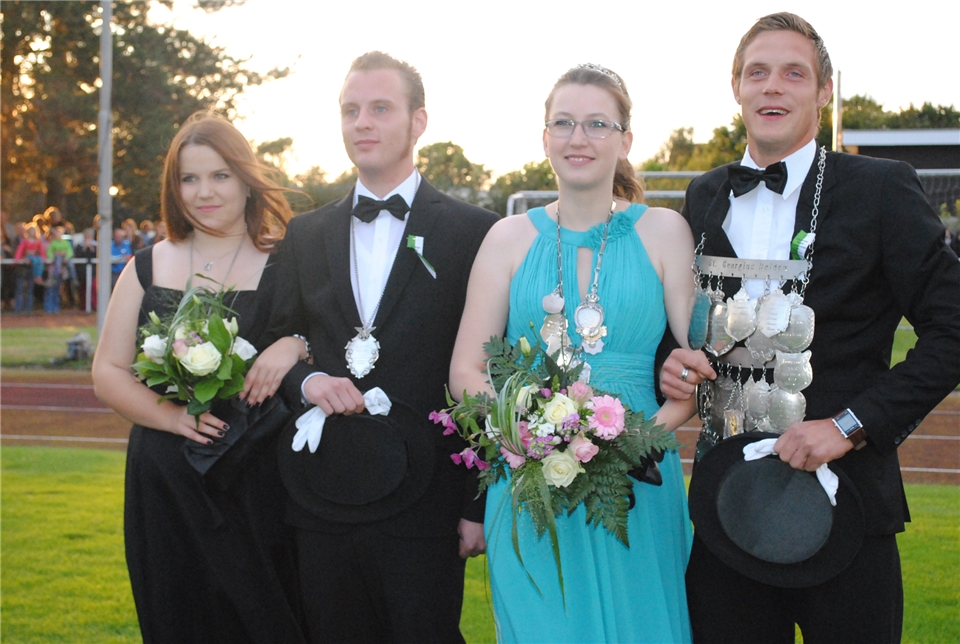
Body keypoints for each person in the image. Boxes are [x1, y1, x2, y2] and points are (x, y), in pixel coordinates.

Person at [658, 13, 960, 644]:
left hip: (846, 506)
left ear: (824, 91)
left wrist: (850, 426)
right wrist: (672, 360)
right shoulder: (705, 194)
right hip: (725, 508)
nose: (773, 87)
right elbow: (684, 324)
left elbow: (952, 325)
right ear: (735, 88)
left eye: (794, 73)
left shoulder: (880, 189)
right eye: (757, 72)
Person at [448, 64, 696, 643]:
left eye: (596, 124)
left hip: (640, 483)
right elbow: (465, 371)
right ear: (544, 137)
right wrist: (533, 434)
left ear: (626, 140)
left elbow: (696, 365)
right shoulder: (506, 239)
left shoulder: (665, 231)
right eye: (563, 123)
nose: (577, 138)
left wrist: (638, 442)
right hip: (532, 484)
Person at [261, 51, 498, 643]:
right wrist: (307, 381)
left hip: (428, 502)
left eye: (380, 108)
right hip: (321, 492)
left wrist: (477, 504)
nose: (361, 122)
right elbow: (271, 338)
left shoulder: (476, 231)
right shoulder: (305, 233)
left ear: (419, 121)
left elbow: (494, 370)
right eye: (350, 110)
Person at [92, 112, 310, 643]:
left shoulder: (291, 258)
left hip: (262, 482)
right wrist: (170, 418)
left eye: (219, 175)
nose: (203, 192)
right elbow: (108, 370)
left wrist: (295, 343)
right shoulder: (146, 265)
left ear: (245, 177)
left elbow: (335, 336)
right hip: (165, 480)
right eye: (189, 178)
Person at [13, 223, 46, 313]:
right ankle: (18, 310)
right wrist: (18, 259)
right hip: (23, 268)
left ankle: (28, 309)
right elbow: (20, 250)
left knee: (30, 289)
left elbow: (41, 251)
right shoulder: (24, 241)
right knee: (20, 289)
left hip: (32, 266)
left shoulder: (37, 241)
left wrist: (43, 258)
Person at [44, 225, 73, 313]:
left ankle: (56, 307)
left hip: (61, 270)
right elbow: (49, 251)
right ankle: (48, 307)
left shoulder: (65, 243)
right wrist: (53, 257)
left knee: (57, 288)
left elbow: (70, 251)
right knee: (50, 288)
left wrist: (65, 257)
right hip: (53, 270)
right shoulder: (53, 243)